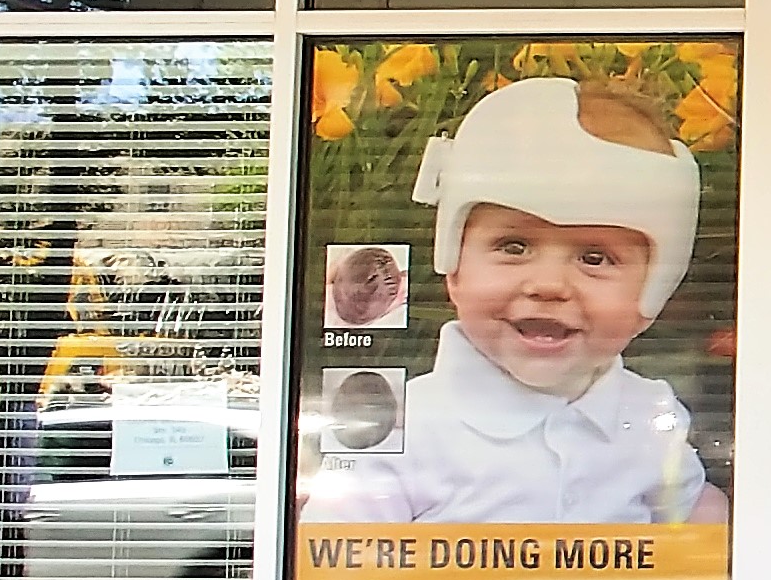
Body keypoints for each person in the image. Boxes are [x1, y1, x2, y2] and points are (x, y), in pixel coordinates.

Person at [307, 76, 725, 526]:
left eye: (594, 258)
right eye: (514, 246)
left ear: (654, 290)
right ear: (453, 265)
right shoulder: (402, 428)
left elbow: (695, 520)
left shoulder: (648, 417)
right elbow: (332, 555)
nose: (548, 284)